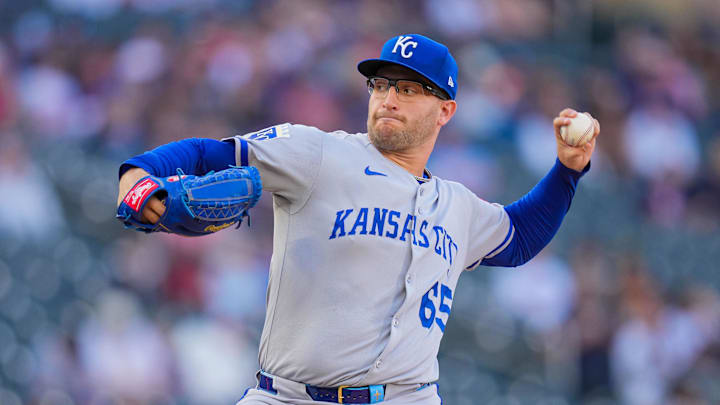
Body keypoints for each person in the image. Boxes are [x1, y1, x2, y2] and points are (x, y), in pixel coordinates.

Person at [117, 34, 599, 405]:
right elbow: (209, 153)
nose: (389, 98)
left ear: (445, 110)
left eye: (409, 89)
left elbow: (520, 238)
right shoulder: (317, 152)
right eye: (381, 84)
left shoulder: (458, 205)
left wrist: (567, 172)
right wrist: (138, 175)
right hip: (289, 395)